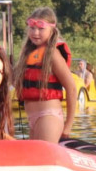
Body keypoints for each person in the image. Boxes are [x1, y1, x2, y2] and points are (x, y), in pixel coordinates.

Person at [12, 7, 76, 142]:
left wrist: (68, 126)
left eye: (41, 29)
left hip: (48, 117)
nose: (35, 33)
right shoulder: (28, 54)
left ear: (52, 30)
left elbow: (72, 88)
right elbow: (15, 82)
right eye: (32, 28)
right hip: (32, 119)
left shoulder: (52, 54)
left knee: (42, 160)